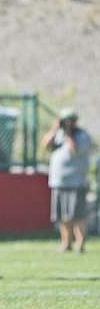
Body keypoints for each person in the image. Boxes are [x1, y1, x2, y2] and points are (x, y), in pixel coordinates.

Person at [41, 108, 94, 253]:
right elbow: (45, 145)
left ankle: (80, 244)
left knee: (77, 216)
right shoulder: (59, 134)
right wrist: (55, 129)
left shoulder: (82, 136)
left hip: (76, 182)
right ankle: (66, 243)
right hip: (59, 182)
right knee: (63, 216)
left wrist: (69, 134)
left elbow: (75, 151)